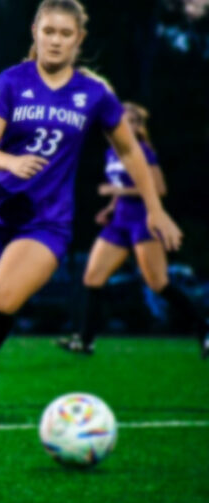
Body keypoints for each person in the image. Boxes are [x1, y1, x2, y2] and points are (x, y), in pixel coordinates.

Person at [0, 0, 184, 428]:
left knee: (0, 298)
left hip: (46, 220)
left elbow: (130, 151)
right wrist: (11, 161)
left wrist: (155, 209)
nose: (55, 40)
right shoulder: (11, 82)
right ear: (35, 32)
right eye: (48, 31)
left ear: (79, 39)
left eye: (65, 34)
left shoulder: (94, 94)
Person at [58, 102, 208, 357]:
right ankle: (85, 341)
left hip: (143, 221)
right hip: (119, 223)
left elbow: (159, 190)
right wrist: (111, 206)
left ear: (138, 126)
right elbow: (121, 184)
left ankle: (204, 330)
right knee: (92, 278)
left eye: (130, 120)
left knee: (158, 283)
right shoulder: (113, 151)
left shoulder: (143, 151)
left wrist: (117, 191)